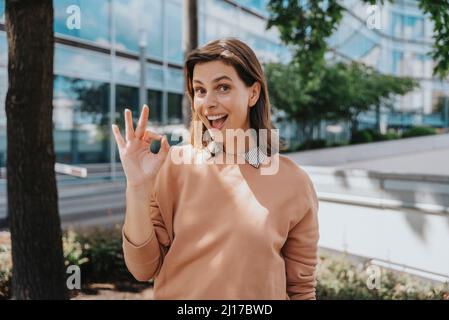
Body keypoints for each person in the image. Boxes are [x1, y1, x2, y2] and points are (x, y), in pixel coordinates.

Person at [111, 38, 320, 300]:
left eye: (222, 87)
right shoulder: (175, 165)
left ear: (253, 93)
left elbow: (301, 290)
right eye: (200, 90)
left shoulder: (293, 181)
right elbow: (143, 270)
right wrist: (138, 187)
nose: (208, 103)